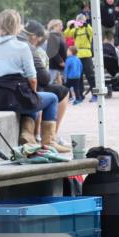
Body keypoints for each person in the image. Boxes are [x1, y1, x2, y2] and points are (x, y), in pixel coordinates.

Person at [0, 10, 60, 147]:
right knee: (48, 98)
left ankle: (28, 136)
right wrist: (33, 94)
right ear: (17, 26)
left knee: (30, 99)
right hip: (14, 98)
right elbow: (33, 79)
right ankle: (49, 142)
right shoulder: (22, 47)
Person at [22, 20, 71, 153]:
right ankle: (49, 138)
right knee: (56, 95)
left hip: (4, 90)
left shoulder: (4, 43)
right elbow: (42, 77)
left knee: (39, 91)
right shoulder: (29, 48)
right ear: (34, 37)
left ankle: (32, 135)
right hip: (24, 91)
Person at [64, 14, 97, 102]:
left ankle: (95, 94)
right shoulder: (75, 30)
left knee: (90, 75)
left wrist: (87, 25)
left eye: (82, 20)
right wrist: (70, 26)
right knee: (79, 76)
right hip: (77, 56)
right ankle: (80, 95)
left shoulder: (87, 28)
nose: (80, 22)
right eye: (79, 20)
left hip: (86, 54)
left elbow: (93, 32)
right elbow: (66, 35)